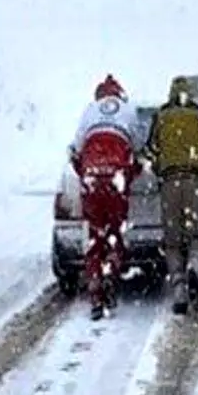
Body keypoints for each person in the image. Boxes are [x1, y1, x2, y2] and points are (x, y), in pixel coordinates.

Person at [68, 74, 143, 320]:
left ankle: (95, 290)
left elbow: (75, 150)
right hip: (116, 177)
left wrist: (85, 173)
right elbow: (140, 149)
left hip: (92, 177)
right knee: (115, 232)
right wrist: (132, 173)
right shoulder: (129, 111)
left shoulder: (89, 111)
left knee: (95, 236)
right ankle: (111, 271)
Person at [144, 76, 198, 315]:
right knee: (197, 235)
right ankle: (194, 264)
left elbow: (151, 150)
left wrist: (160, 171)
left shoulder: (162, 116)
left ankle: (179, 288)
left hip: (169, 182)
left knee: (172, 242)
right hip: (193, 181)